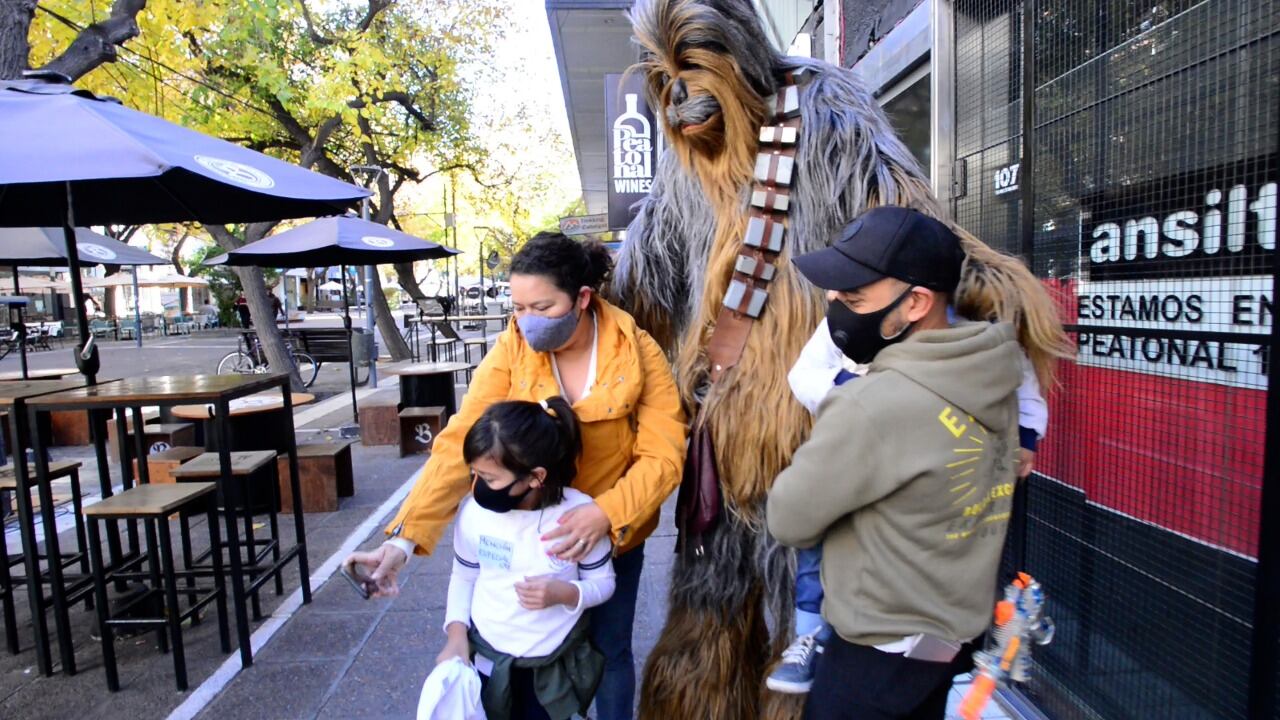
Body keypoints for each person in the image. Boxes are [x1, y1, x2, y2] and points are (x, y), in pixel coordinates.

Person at [345, 231, 686, 720]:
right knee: (526, 658)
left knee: (611, 654)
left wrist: (603, 515)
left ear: (582, 297)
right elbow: (462, 440)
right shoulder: (514, 346)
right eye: (518, 306)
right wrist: (402, 542)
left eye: (542, 307)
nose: (527, 320)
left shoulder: (636, 350)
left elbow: (664, 454)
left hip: (609, 537)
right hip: (525, 529)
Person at [767, 207, 1025, 720]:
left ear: (916, 303)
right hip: (955, 645)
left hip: (873, 663)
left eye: (854, 296)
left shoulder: (871, 405)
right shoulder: (992, 375)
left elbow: (788, 518)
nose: (835, 305)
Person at [434, 397, 616, 720]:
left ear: (535, 477)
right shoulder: (474, 514)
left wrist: (565, 594)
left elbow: (603, 582)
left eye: (489, 479)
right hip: (489, 662)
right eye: (474, 474)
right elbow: (464, 575)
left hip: (552, 673)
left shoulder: (579, 515)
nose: (478, 487)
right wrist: (456, 635)